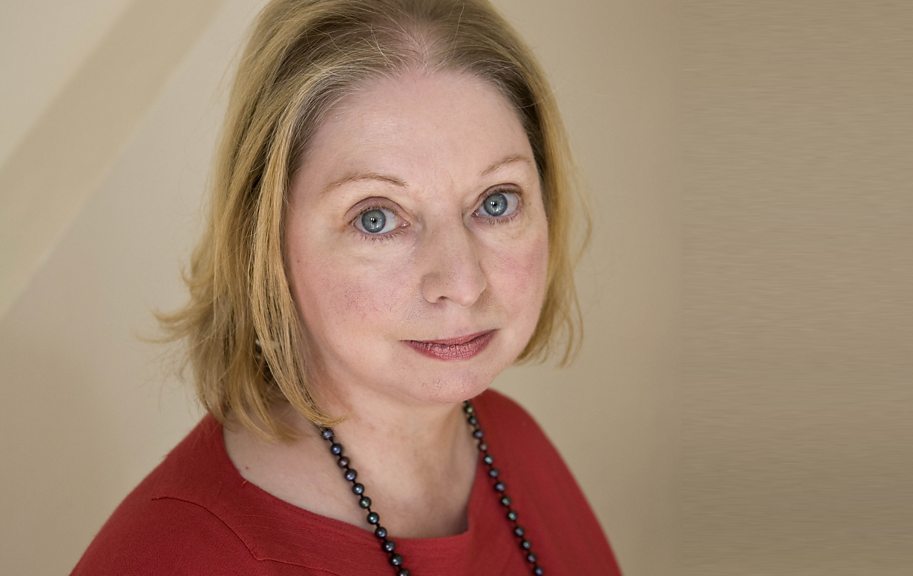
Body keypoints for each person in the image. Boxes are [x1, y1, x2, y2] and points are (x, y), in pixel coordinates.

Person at [72, 0, 620, 574]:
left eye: (497, 202)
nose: (463, 283)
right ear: (267, 239)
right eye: (376, 218)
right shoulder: (174, 558)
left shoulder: (515, 443)